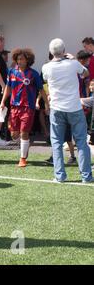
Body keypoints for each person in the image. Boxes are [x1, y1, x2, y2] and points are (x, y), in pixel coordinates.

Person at [42, 38, 92, 183]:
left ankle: (60, 176)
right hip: (75, 108)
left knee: (57, 142)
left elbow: (46, 79)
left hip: (57, 108)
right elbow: (86, 73)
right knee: (82, 142)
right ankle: (86, 177)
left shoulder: (46, 67)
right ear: (64, 51)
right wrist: (73, 59)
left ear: (51, 52)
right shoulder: (73, 63)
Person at [0, 48, 49, 167]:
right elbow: (7, 88)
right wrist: (2, 102)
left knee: (24, 133)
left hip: (28, 107)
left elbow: (41, 90)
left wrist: (46, 104)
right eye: (18, 59)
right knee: (14, 134)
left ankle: (22, 158)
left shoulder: (33, 74)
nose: (19, 61)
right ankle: (25, 145)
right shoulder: (11, 72)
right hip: (14, 107)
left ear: (28, 60)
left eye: (22, 59)